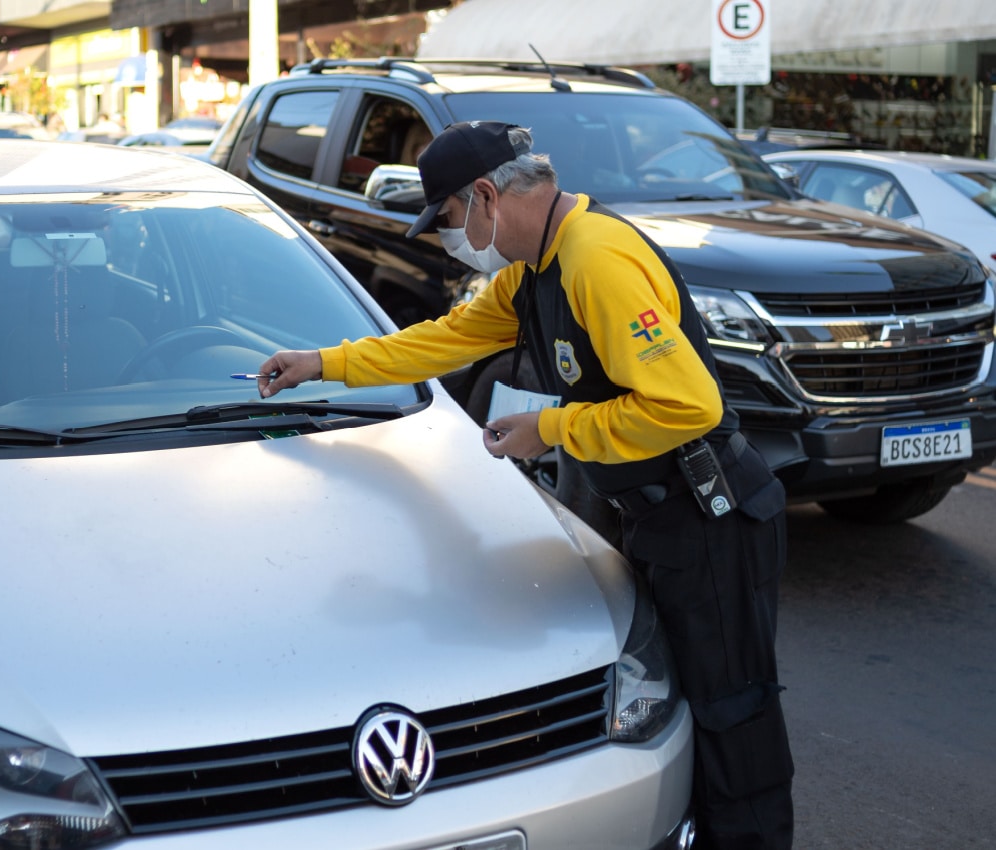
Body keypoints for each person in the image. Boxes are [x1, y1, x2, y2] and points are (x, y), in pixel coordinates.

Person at [257, 121, 794, 850]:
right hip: (657, 514)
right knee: (679, 707)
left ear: (485, 196)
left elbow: (687, 405)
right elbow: (444, 339)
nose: (453, 237)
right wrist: (323, 362)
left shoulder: (594, 259)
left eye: (448, 219)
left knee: (735, 719)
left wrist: (553, 429)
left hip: (709, 517)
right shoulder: (537, 267)